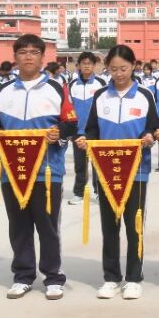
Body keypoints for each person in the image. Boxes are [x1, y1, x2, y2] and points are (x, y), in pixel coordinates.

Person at [0, 34, 77, 300]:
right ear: (15, 57)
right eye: (23, 52)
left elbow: (71, 123)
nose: (28, 56)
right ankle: (23, 276)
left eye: (34, 52)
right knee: (19, 225)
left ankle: (53, 276)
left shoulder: (56, 88)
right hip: (12, 171)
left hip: (47, 171)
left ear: (42, 57)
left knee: (47, 226)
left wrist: (58, 133)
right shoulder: (4, 91)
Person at [75, 45, 159, 300]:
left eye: (124, 68)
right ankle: (111, 277)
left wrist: (149, 136)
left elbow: (153, 127)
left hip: (136, 171)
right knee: (109, 227)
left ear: (133, 66)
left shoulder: (144, 95)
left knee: (135, 226)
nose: (119, 74)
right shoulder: (101, 96)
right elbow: (91, 129)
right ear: (107, 69)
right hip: (106, 170)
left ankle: (133, 278)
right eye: (113, 69)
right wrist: (86, 139)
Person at [67, 52, 104, 204]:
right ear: (79, 66)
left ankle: (99, 192)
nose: (86, 66)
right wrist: (70, 130)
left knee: (97, 164)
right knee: (80, 164)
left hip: (96, 131)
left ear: (94, 65)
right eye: (84, 63)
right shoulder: (72, 85)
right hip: (78, 131)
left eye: (89, 63)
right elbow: (69, 108)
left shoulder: (101, 83)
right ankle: (79, 193)